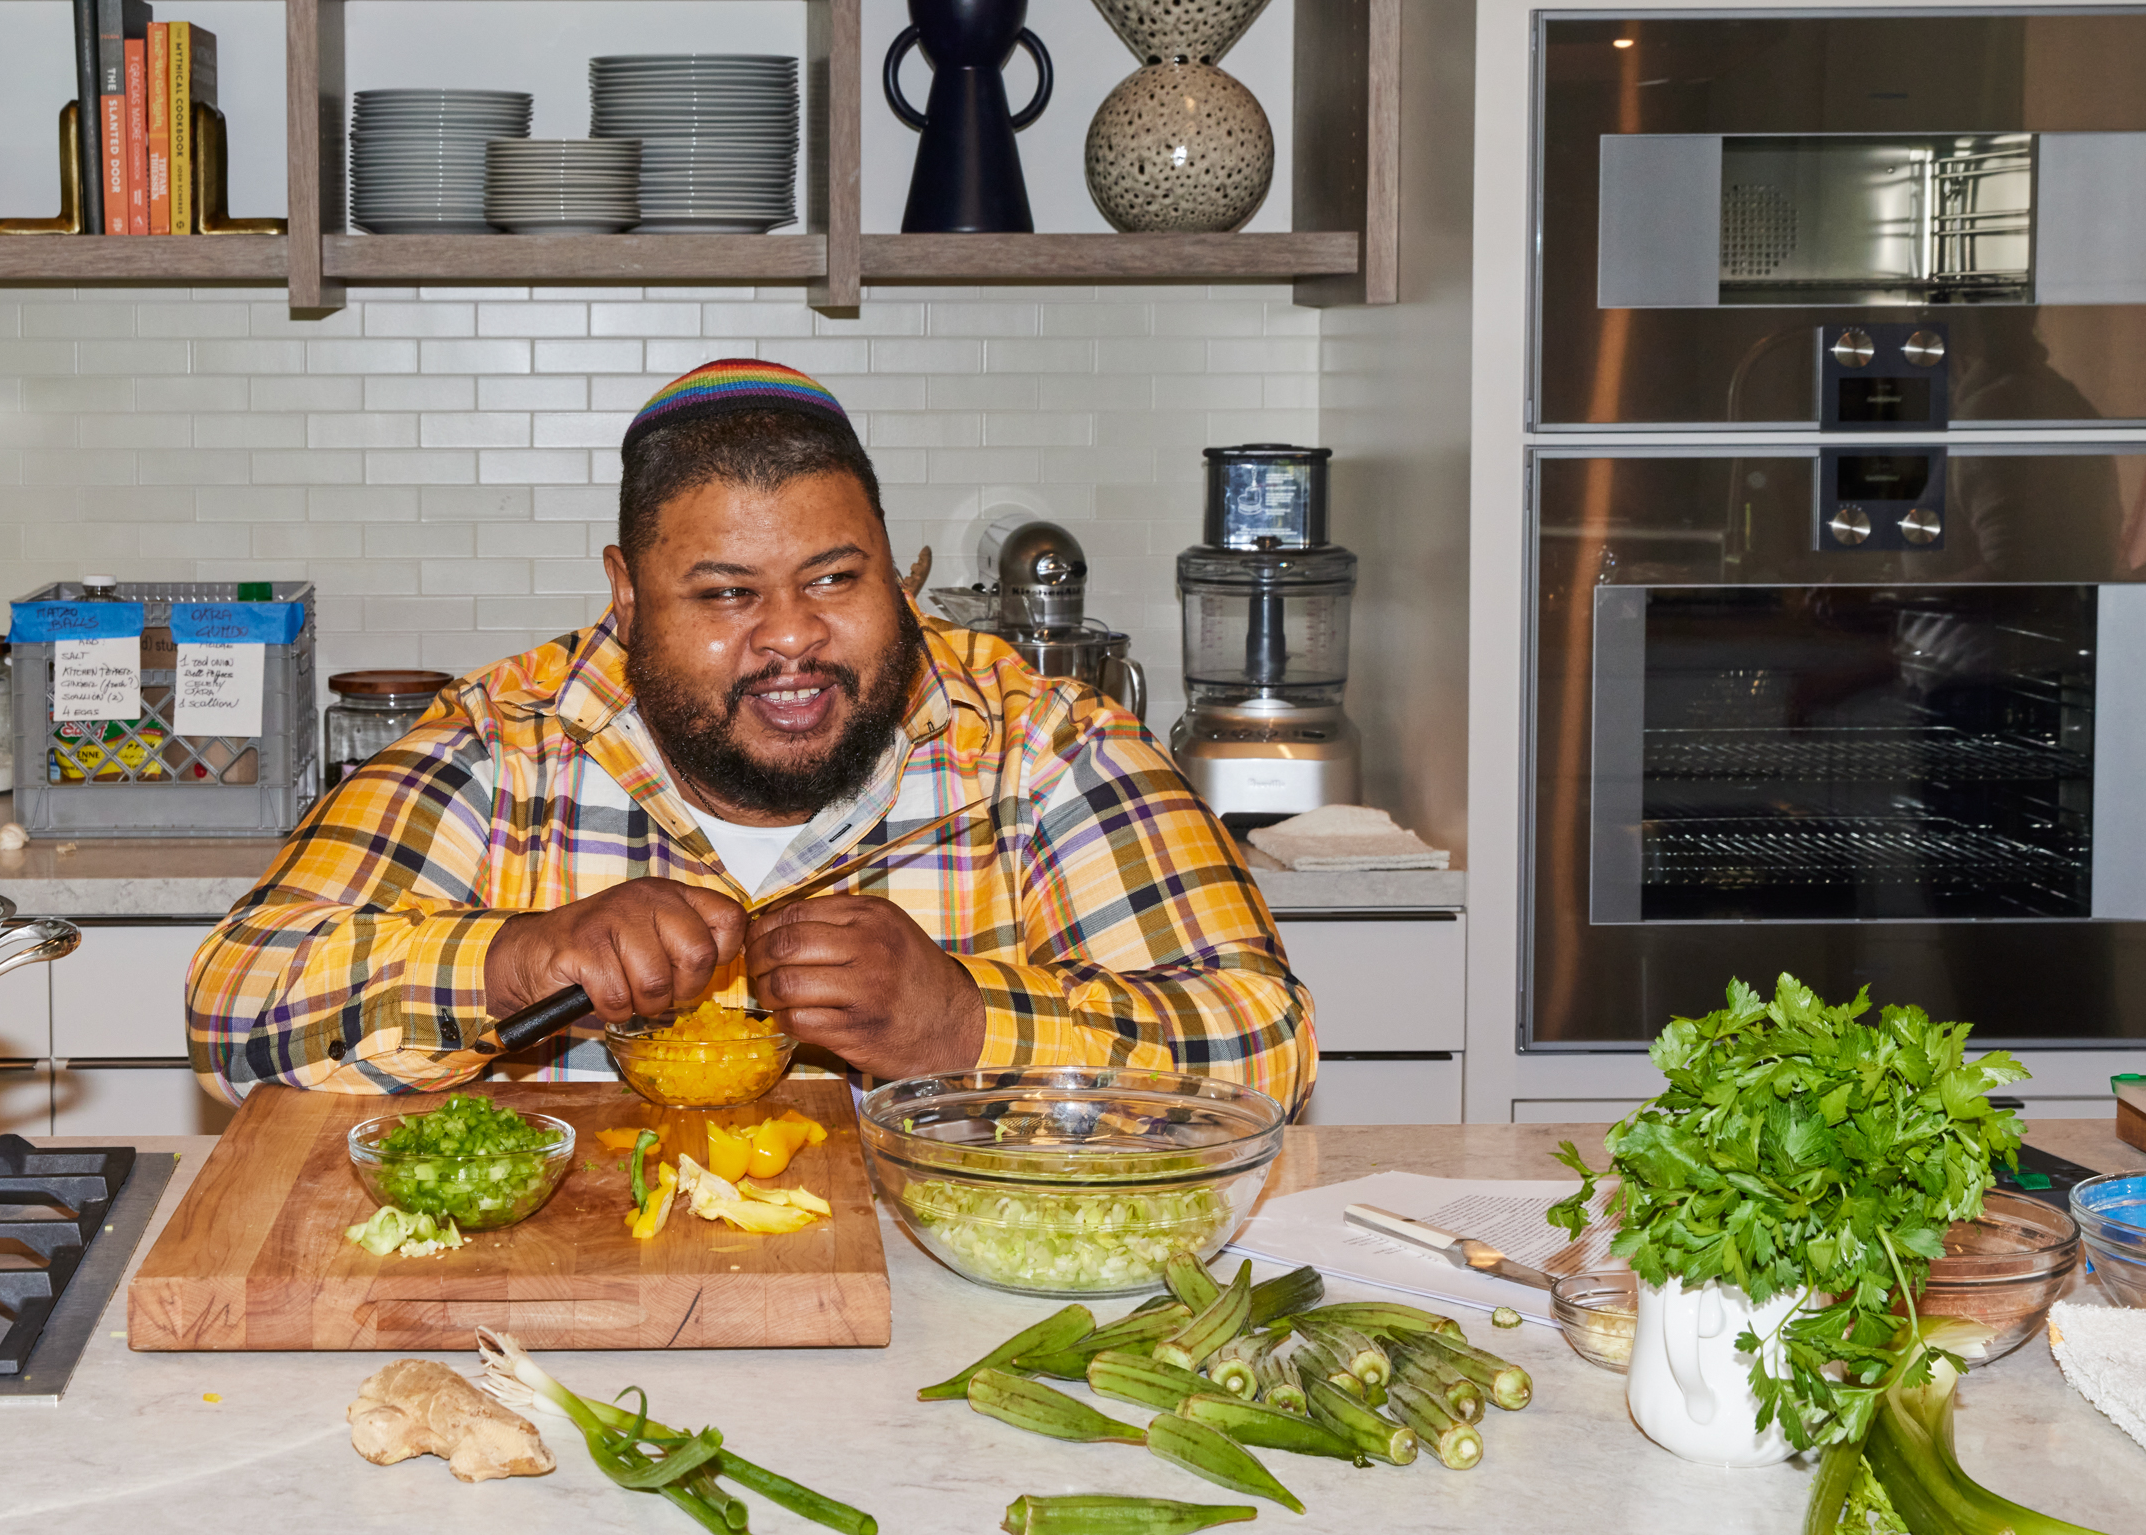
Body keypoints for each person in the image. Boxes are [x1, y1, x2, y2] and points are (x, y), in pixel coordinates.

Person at [186, 359, 1314, 1106]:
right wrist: (519, 955)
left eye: (835, 578)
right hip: (573, 1317)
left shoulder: (1037, 743)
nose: (793, 639)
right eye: (725, 595)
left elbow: (1266, 1048)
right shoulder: (508, 743)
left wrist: (963, 1022)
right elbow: (234, 1012)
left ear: (895, 568)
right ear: (626, 600)